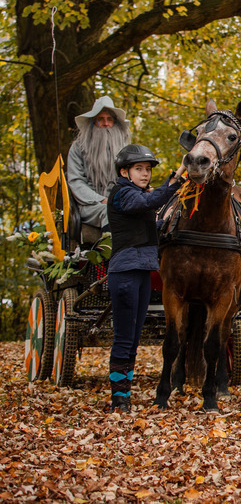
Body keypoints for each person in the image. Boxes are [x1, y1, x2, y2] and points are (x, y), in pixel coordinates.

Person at [105, 144, 185, 412]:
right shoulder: (122, 194)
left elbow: (151, 224)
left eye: (148, 170)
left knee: (134, 338)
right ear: (124, 172)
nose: (145, 174)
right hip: (125, 273)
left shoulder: (136, 196)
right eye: (139, 169)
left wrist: (172, 219)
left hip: (141, 273)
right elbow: (150, 202)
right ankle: (119, 398)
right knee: (124, 338)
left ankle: (124, 392)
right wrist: (176, 181)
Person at [67, 96, 132, 232]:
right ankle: (109, 252)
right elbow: (76, 181)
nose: (105, 123)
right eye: (100, 119)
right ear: (93, 122)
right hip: (90, 204)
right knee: (109, 212)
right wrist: (100, 199)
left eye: (109, 119)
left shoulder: (125, 149)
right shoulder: (78, 148)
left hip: (119, 200)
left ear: (115, 123)